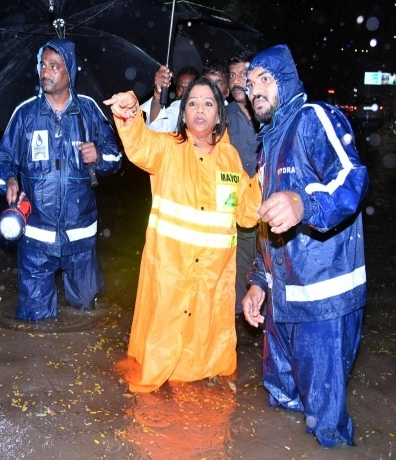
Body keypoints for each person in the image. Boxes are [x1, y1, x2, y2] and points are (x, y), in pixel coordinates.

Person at [240, 44, 369, 447]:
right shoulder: (267, 145)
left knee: (324, 424)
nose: (255, 89)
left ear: (286, 81)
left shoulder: (313, 118)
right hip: (281, 304)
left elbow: (353, 177)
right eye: (249, 83)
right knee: (280, 403)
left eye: (265, 80)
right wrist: (259, 282)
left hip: (322, 305)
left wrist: (304, 202)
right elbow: (269, 225)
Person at [104, 77, 261, 393]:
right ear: (183, 112)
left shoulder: (230, 158)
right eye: (192, 103)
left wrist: (265, 176)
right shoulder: (167, 148)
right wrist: (129, 114)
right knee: (160, 367)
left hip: (212, 278)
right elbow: (138, 145)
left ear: (219, 114)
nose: (199, 110)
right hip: (171, 272)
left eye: (208, 103)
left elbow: (246, 214)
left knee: (208, 382)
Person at [0, 38, 123, 321]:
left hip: (81, 233)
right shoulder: (25, 114)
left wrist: (99, 156)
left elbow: (117, 158)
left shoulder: (88, 111)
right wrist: (9, 180)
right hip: (36, 232)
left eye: (54, 66)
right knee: (34, 318)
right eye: (43, 65)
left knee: (88, 315)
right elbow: (0, 158)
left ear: (69, 71)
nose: (45, 72)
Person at [226, 51, 260, 317]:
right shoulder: (222, 116)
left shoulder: (270, 114)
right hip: (237, 209)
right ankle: (238, 319)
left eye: (243, 74)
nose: (237, 80)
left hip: (271, 208)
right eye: (232, 75)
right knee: (241, 268)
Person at [140, 65, 199, 132]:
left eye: (189, 88)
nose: (183, 94)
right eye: (180, 88)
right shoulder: (178, 106)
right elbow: (156, 126)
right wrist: (158, 92)